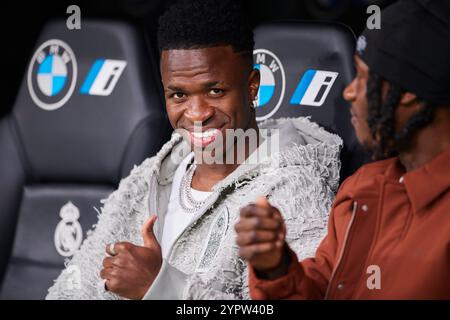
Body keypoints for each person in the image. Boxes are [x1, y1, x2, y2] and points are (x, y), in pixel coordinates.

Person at [46, 0, 342, 300]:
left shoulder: (295, 189)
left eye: (215, 91)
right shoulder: (150, 176)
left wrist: (159, 287)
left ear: (252, 86)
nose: (197, 113)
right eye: (178, 95)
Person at [236, 0, 450, 299]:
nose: (348, 92)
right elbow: (321, 289)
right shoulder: (362, 188)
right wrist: (276, 268)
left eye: (362, 78)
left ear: (410, 92)